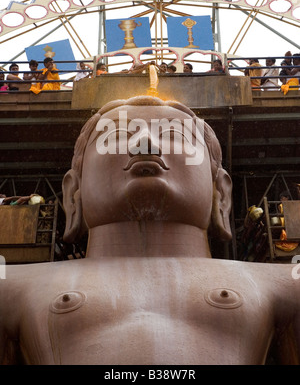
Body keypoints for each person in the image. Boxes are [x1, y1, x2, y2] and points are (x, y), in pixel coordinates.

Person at [1, 96, 300, 365]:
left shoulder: (286, 285)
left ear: (219, 191)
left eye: (174, 135)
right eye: (116, 136)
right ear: (73, 191)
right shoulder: (11, 287)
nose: (145, 145)